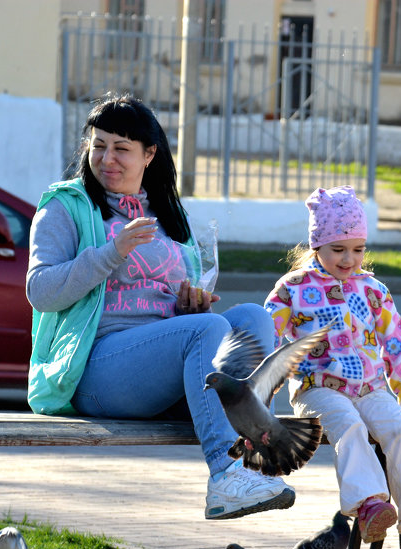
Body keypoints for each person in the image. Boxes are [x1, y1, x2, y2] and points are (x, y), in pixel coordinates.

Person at [25, 93, 294, 521]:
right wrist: (111, 252)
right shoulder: (65, 206)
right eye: (98, 145)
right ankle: (225, 476)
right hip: (94, 368)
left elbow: (174, 321)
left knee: (252, 318)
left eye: (121, 148)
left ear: (149, 154)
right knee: (206, 331)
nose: (106, 158)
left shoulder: (168, 214)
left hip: (155, 375)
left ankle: (254, 456)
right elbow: (40, 291)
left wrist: (189, 307)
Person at [263, 185, 401, 549]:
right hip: (318, 388)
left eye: (358, 249)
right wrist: (257, 405)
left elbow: (397, 346)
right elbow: (265, 342)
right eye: (338, 249)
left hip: (371, 387)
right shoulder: (294, 289)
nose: (349, 259)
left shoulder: (373, 289)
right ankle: (369, 505)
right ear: (316, 245)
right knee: (348, 425)